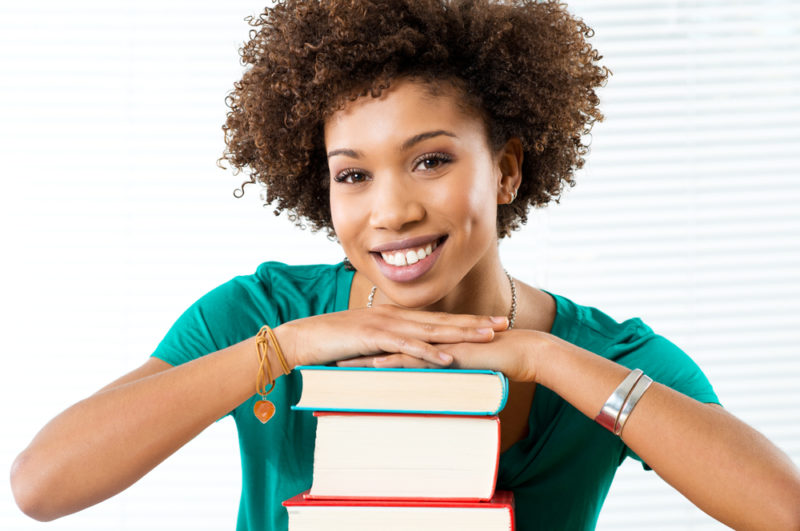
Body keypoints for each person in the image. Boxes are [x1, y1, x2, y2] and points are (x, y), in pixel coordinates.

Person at [10, 1, 800, 529]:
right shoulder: (263, 315)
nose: (390, 212)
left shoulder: (605, 358)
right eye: (353, 175)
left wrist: (541, 357)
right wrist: (284, 349)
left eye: (430, 161)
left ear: (510, 169)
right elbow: (42, 485)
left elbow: (782, 508)